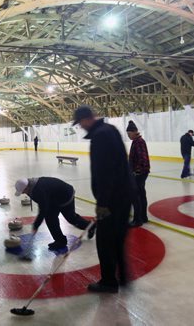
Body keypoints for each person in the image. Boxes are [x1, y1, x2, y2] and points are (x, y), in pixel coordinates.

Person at [73, 105, 132, 293]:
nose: (80, 127)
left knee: (105, 241)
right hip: (125, 194)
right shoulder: (110, 129)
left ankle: (109, 281)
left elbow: (105, 172)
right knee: (118, 239)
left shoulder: (100, 137)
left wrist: (103, 203)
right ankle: (122, 277)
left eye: (80, 123)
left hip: (112, 199)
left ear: (86, 119)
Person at [14, 177, 95, 250]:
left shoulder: (38, 190)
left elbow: (43, 209)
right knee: (50, 219)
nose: (23, 193)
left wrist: (36, 225)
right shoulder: (32, 186)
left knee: (71, 218)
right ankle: (60, 241)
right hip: (53, 198)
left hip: (65, 195)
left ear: (27, 187)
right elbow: (44, 204)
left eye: (23, 191)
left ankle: (90, 226)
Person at [127, 121, 150, 227]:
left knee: (136, 196)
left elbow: (143, 158)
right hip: (140, 172)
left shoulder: (139, 142)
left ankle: (138, 220)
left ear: (134, 132)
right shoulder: (136, 141)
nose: (128, 135)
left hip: (139, 173)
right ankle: (143, 217)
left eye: (129, 133)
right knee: (141, 195)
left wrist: (137, 171)